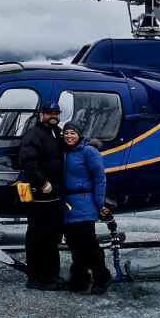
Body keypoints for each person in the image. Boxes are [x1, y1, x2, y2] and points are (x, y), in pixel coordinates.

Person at [60, 122, 112, 294]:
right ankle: (80, 278)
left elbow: (99, 178)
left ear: (79, 135)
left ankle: (101, 277)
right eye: (66, 133)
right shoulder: (63, 152)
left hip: (85, 203)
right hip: (67, 205)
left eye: (72, 133)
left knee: (88, 244)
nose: (69, 136)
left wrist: (100, 204)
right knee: (74, 245)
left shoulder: (89, 152)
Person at [18, 102, 65, 290]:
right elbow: (27, 161)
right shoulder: (34, 135)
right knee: (38, 238)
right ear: (41, 116)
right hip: (40, 197)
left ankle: (51, 275)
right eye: (49, 113)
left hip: (55, 197)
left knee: (53, 238)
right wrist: (42, 183)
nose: (53, 116)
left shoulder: (56, 134)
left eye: (56, 113)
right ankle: (36, 278)